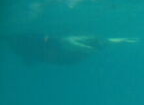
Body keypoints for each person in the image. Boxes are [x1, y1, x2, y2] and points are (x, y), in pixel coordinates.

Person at [2, 33, 136, 65]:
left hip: (59, 53)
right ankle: (114, 41)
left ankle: (115, 41)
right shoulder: (20, 47)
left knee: (67, 43)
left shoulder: (21, 47)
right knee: (95, 45)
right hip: (61, 55)